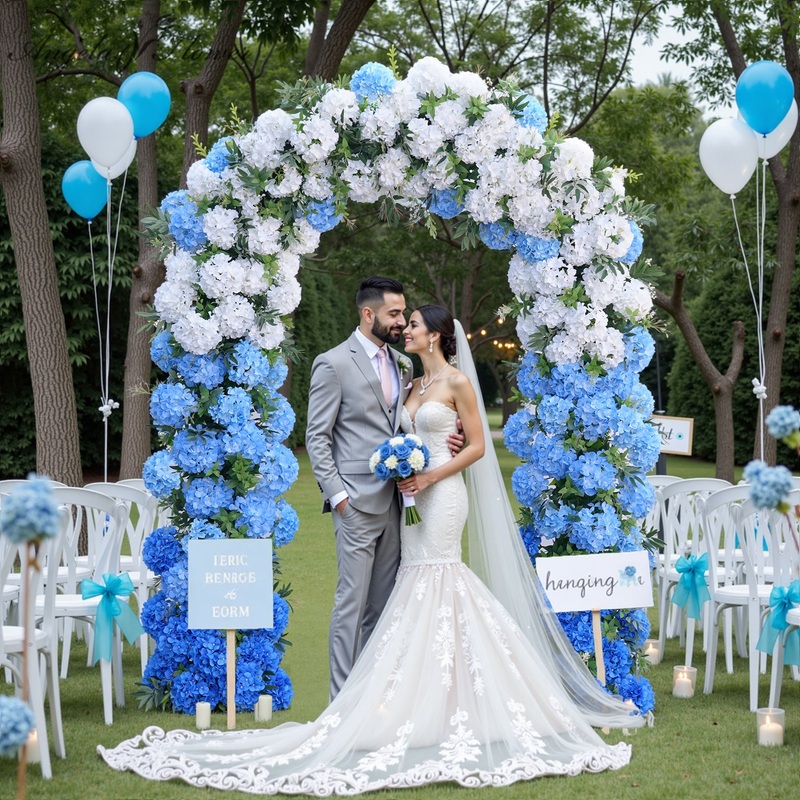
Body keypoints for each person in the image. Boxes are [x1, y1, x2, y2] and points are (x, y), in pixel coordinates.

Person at [99, 305, 643, 795]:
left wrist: (431, 475)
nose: (405, 329)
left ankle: (471, 697)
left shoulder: (455, 382)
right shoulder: (411, 384)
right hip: (407, 500)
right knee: (414, 585)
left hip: (441, 497)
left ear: (436, 335)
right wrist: (402, 465)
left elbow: (476, 446)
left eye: (414, 325)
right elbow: (394, 432)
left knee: (443, 579)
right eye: (403, 322)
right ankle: (414, 699)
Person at [305, 276, 410, 699]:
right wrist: (339, 496)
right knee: (351, 604)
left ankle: (371, 700)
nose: (402, 320)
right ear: (368, 314)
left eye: (402, 312)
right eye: (394, 313)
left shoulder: (402, 363)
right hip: (355, 504)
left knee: (382, 608)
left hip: (397, 503)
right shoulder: (333, 363)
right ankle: (340, 703)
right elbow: (317, 436)